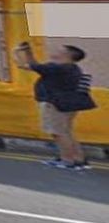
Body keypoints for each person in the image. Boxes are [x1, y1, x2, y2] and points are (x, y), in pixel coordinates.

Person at [14, 42, 96, 171]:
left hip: (54, 104)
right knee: (66, 132)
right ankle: (79, 159)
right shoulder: (71, 68)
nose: (54, 51)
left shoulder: (57, 68)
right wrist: (28, 53)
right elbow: (37, 66)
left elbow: (23, 65)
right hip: (67, 105)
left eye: (59, 50)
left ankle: (67, 160)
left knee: (58, 133)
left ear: (66, 55)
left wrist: (16, 52)